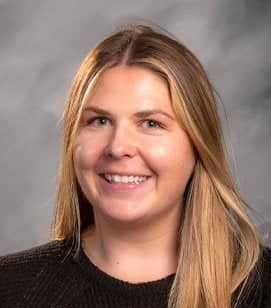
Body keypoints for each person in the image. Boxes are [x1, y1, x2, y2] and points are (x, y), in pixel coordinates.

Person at [0, 23, 270, 308]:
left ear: (198, 144)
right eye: (99, 121)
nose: (118, 147)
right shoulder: (9, 289)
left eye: (151, 123)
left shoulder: (261, 289)